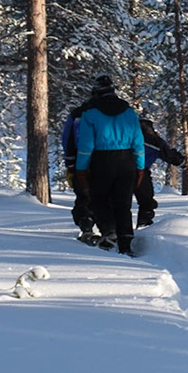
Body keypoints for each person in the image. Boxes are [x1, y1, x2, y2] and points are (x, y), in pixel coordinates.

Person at [73, 75, 146, 255]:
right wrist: (140, 167)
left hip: (101, 161)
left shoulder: (90, 114)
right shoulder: (129, 113)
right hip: (127, 161)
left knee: (99, 200)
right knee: (123, 203)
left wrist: (81, 169)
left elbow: (86, 145)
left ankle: (108, 231)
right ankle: (126, 241)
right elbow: (138, 143)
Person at [135, 114, 188, 228]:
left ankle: (111, 229)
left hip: (120, 169)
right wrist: (184, 164)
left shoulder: (127, 135)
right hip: (141, 172)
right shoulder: (155, 140)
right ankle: (144, 224)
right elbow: (169, 154)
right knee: (146, 201)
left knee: (118, 201)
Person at [60, 101, 100, 245]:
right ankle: (108, 229)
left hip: (79, 160)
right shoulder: (107, 113)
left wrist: (69, 163)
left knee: (83, 196)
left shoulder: (76, 114)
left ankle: (86, 225)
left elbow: (67, 139)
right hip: (105, 159)